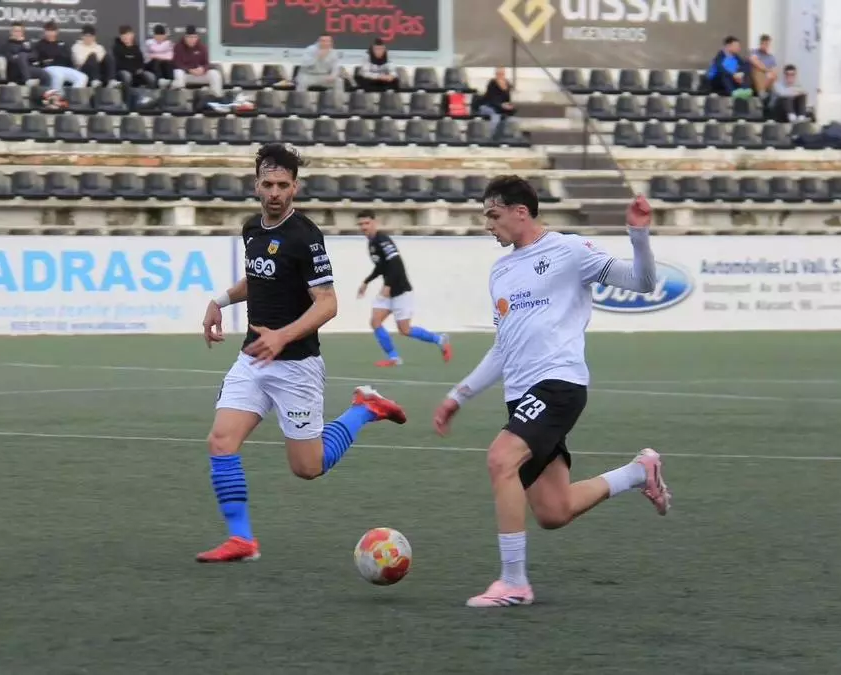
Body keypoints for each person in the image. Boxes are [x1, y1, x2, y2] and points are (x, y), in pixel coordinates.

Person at [432, 178, 670, 608]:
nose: (488, 225)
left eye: (493, 215)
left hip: (559, 384)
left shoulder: (570, 250)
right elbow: (503, 348)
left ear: (521, 212)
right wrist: (458, 395)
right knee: (553, 511)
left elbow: (643, 281)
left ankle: (514, 583)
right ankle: (639, 472)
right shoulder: (501, 271)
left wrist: (638, 232)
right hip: (521, 397)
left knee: (501, 458)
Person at [196, 144, 408, 564]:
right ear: (256, 185)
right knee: (221, 441)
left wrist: (282, 337)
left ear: (295, 187)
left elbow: (327, 303)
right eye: (268, 184)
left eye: (283, 185)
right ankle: (242, 539)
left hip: (296, 366)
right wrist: (219, 301)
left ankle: (364, 409)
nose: (275, 192)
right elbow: (258, 277)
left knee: (308, 467)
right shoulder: (252, 228)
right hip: (253, 358)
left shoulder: (305, 235)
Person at [355, 210, 452, 368]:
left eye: (367, 223)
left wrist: (388, 285)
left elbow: (396, 264)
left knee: (405, 330)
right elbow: (381, 266)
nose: (364, 227)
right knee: (375, 321)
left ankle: (440, 340)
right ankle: (394, 358)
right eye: (360, 224)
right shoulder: (372, 243)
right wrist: (366, 282)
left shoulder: (383, 240)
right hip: (389, 292)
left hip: (400, 291)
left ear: (374, 223)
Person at [33, 21, 88, 91]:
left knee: (83, 77)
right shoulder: (40, 45)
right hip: (49, 68)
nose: (50, 33)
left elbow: (69, 59)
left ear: (56, 32)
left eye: (52, 31)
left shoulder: (62, 44)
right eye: (48, 31)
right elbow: (36, 61)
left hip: (64, 68)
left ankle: (73, 96)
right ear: (44, 32)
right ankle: (56, 97)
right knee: (59, 75)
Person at [171, 25, 223, 94]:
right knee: (179, 73)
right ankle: (177, 95)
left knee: (214, 74)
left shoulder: (202, 47)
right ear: (185, 37)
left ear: (197, 37)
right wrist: (189, 70)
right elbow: (177, 63)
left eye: (194, 37)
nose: (192, 40)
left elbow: (206, 63)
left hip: (198, 74)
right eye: (189, 37)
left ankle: (216, 96)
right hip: (185, 74)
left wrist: (203, 69)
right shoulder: (178, 47)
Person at [111, 25, 156, 89]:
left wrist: (140, 69)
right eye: (123, 35)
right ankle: (126, 95)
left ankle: (148, 94)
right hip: (122, 72)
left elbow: (141, 62)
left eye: (127, 35)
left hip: (136, 73)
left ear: (132, 35)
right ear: (120, 37)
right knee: (127, 76)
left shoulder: (136, 48)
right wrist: (134, 70)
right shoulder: (117, 48)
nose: (125, 37)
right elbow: (118, 64)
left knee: (151, 77)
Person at [477, 67, 516, 137]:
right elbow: (491, 99)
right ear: (496, 74)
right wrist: (502, 105)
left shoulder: (507, 84)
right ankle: (491, 136)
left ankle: (507, 136)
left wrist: (509, 106)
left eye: (502, 74)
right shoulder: (492, 83)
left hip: (499, 108)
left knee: (511, 119)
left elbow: (507, 100)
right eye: (498, 74)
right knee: (496, 117)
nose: (500, 76)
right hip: (488, 106)